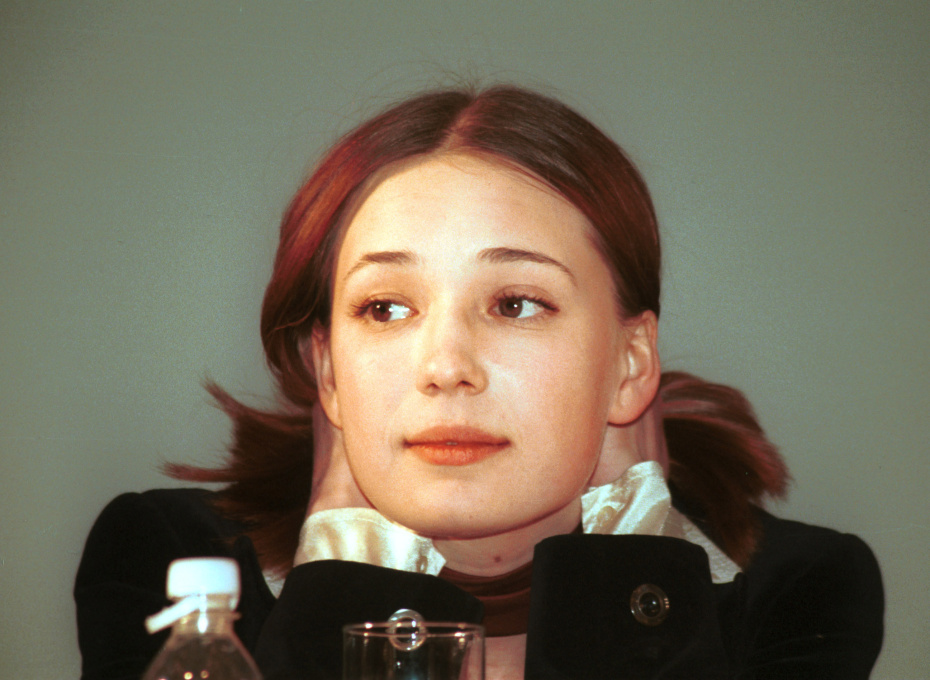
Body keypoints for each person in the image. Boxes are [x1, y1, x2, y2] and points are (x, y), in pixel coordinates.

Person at [74, 85, 884, 680]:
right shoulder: (171, 559)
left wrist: (629, 575)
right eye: (386, 308)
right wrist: (345, 576)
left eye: (515, 304)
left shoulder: (799, 588)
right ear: (328, 369)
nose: (445, 366)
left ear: (630, 364)